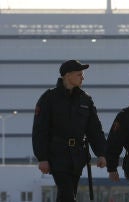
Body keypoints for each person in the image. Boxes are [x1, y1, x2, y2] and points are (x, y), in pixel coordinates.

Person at [32, 60, 107, 202]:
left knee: (68, 193)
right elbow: (40, 130)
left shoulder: (85, 100)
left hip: (77, 156)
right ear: (67, 76)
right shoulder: (49, 98)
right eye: (79, 74)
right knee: (67, 194)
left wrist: (101, 153)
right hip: (57, 155)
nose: (83, 78)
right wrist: (42, 157)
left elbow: (95, 129)